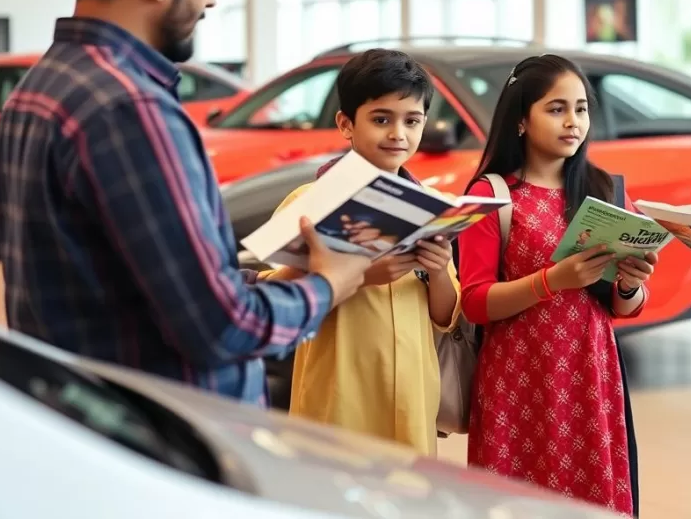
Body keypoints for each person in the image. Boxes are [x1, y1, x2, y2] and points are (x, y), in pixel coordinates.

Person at [0, 0, 370, 406]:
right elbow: (221, 329)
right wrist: (329, 284)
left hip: (86, 422)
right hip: (167, 441)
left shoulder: (39, 89)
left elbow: (129, 286)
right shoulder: (130, 108)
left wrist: (270, 285)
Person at [456, 54, 657, 516]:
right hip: (517, 378)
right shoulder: (490, 196)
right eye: (556, 109)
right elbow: (475, 302)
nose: (573, 122)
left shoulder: (605, 190)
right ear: (521, 119)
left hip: (590, 372)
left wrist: (630, 284)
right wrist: (552, 281)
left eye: (582, 108)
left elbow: (623, 307)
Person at [261, 49, 461, 456]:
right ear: (346, 124)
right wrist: (358, 274)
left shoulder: (433, 206)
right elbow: (274, 293)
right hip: (339, 394)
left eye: (412, 120)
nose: (398, 134)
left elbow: (446, 316)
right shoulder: (311, 202)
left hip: (411, 395)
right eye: (381, 119)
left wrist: (439, 272)